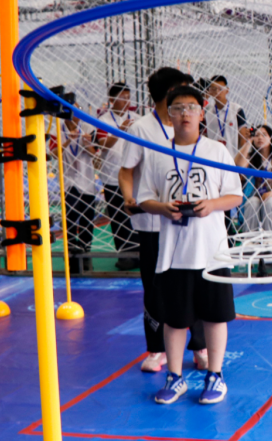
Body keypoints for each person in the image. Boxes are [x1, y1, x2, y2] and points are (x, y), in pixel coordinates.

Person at [137, 85, 243, 405]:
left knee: (215, 316)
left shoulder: (216, 151)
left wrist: (211, 205)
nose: (185, 113)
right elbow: (144, 198)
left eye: (191, 107)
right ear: (168, 114)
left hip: (212, 252)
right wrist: (162, 208)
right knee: (174, 320)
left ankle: (215, 375)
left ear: (202, 112)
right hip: (173, 254)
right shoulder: (157, 154)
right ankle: (174, 377)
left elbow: (235, 195)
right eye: (178, 108)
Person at [119, 67, 207, 374]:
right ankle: (157, 349)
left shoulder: (189, 123)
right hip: (153, 222)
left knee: (195, 281)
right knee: (155, 287)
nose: (188, 102)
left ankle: (200, 346)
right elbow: (126, 171)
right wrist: (129, 197)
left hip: (190, 221)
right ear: (169, 93)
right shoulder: (141, 128)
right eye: (183, 90)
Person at [96, 82, 139, 270]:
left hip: (135, 176)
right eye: (122, 98)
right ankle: (125, 256)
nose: (126, 101)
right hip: (112, 176)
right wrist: (120, 130)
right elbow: (103, 145)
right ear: (112, 99)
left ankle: (141, 252)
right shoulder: (103, 121)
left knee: (137, 216)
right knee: (118, 217)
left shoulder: (137, 119)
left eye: (128, 97)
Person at [50, 114, 98, 273]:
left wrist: (87, 143)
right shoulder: (56, 130)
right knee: (70, 218)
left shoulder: (88, 128)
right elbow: (54, 154)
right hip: (68, 182)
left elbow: (96, 156)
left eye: (77, 111)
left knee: (87, 219)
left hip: (87, 181)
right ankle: (71, 256)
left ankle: (85, 254)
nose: (74, 115)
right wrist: (68, 141)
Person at [235, 124, 272, 232]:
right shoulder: (251, 159)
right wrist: (248, 142)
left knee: (270, 202)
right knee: (252, 202)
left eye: (264, 135)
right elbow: (238, 165)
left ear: (271, 138)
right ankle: (250, 238)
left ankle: (270, 238)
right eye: (256, 135)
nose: (260, 138)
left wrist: (271, 194)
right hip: (255, 198)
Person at [204, 75, 248, 157]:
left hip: (232, 158)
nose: (217, 92)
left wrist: (241, 158)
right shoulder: (207, 111)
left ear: (227, 90)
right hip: (212, 158)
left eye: (220, 89)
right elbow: (204, 136)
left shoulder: (236, 110)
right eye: (214, 89)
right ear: (210, 91)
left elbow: (243, 138)